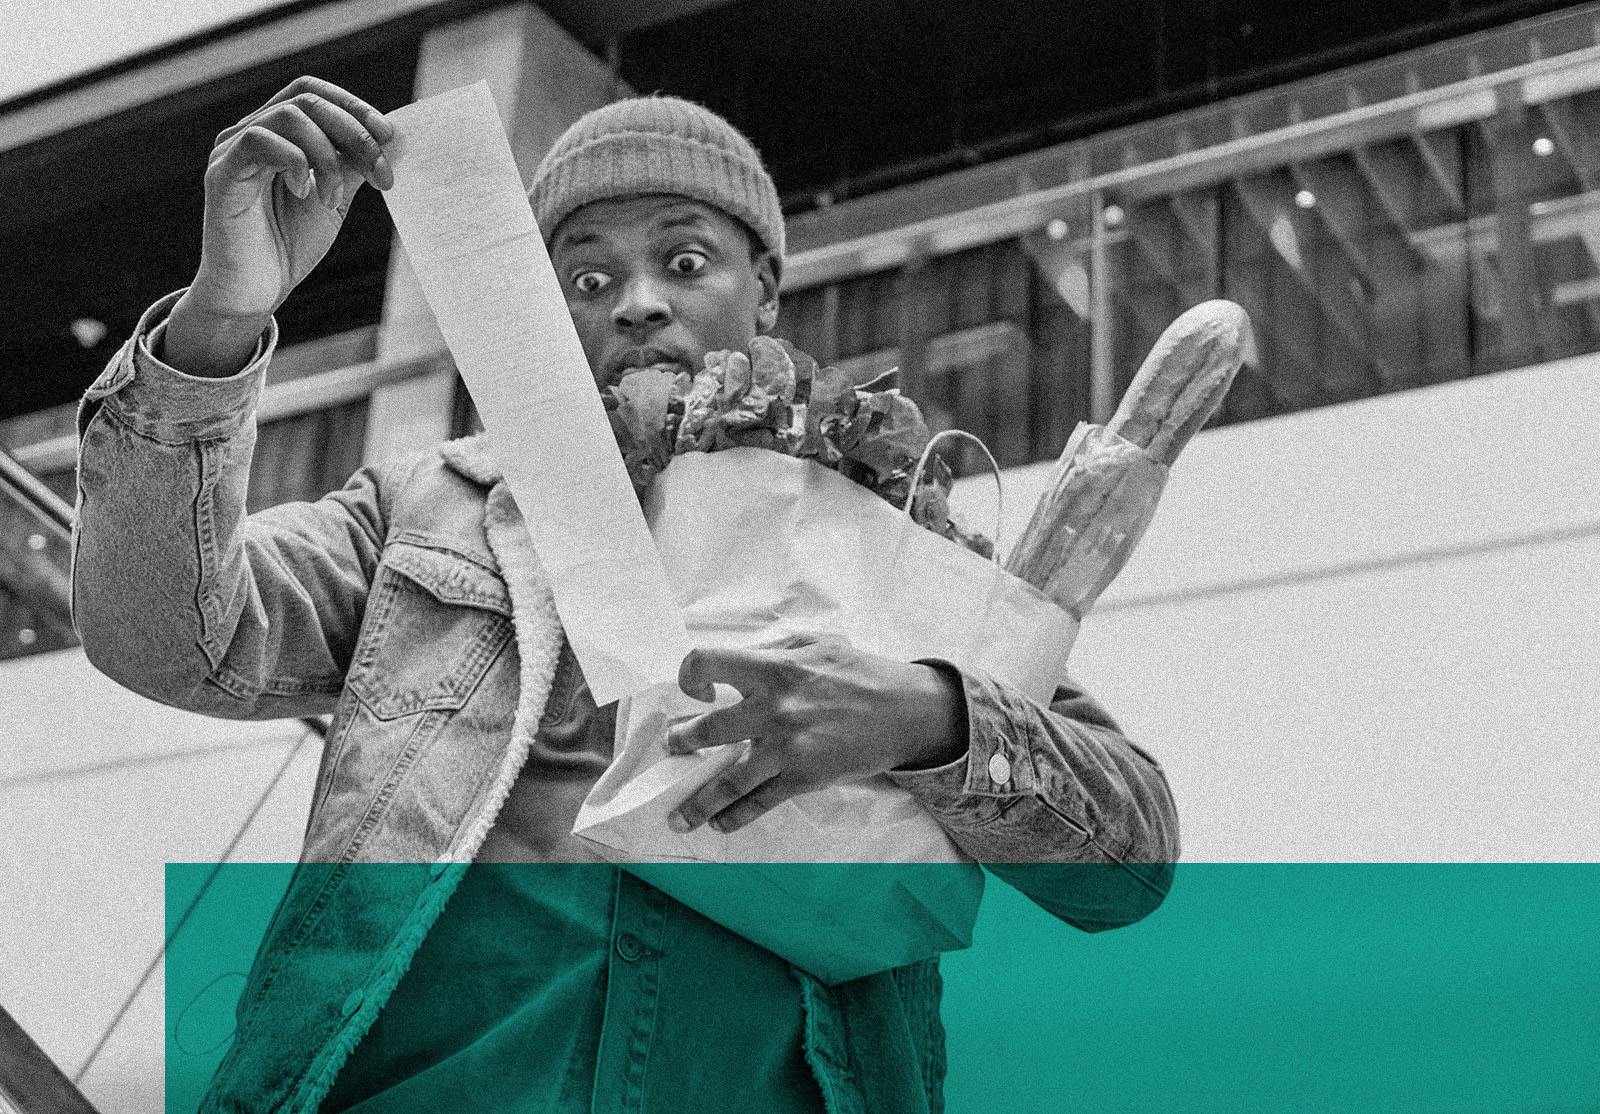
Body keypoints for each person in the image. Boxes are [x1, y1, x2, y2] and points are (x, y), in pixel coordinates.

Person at [72, 76, 1180, 1114]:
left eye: (687, 262)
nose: (639, 304)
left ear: (768, 293)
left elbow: (1128, 862)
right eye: (588, 280)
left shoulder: (896, 541)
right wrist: (220, 317)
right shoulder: (429, 506)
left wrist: (925, 715)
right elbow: (163, 637)